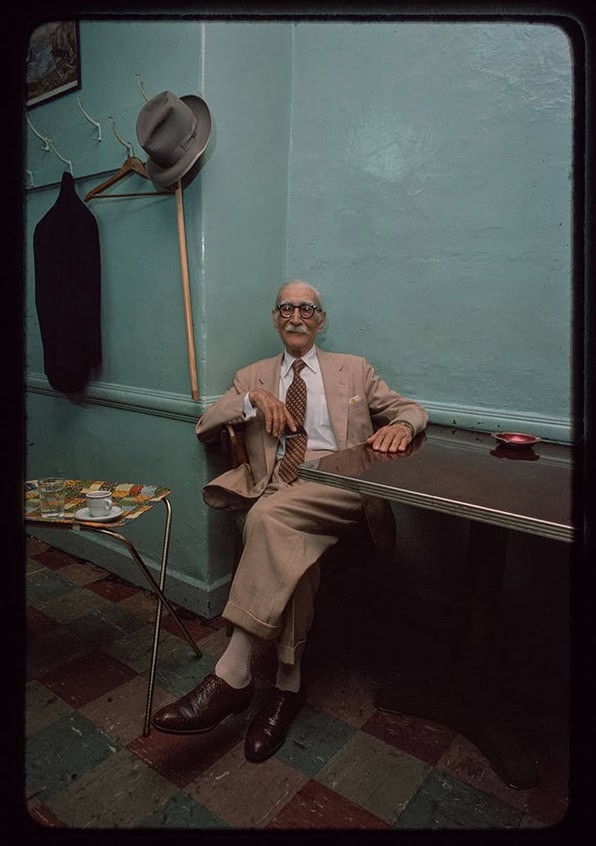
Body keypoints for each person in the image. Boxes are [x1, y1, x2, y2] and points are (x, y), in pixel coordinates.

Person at [152, 279, 428, 762]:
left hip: (341, 488)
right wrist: (252, 401)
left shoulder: (354, 370)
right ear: (275, 319)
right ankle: (286, 689)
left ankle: (232, 673)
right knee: (287, 542)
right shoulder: (253, 375)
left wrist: (402, 425)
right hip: (277, 487)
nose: (295, 316)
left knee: (267, 519)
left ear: (320, 320)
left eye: (306, 308)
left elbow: (409, 409)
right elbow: (205, 424)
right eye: (286, 308)